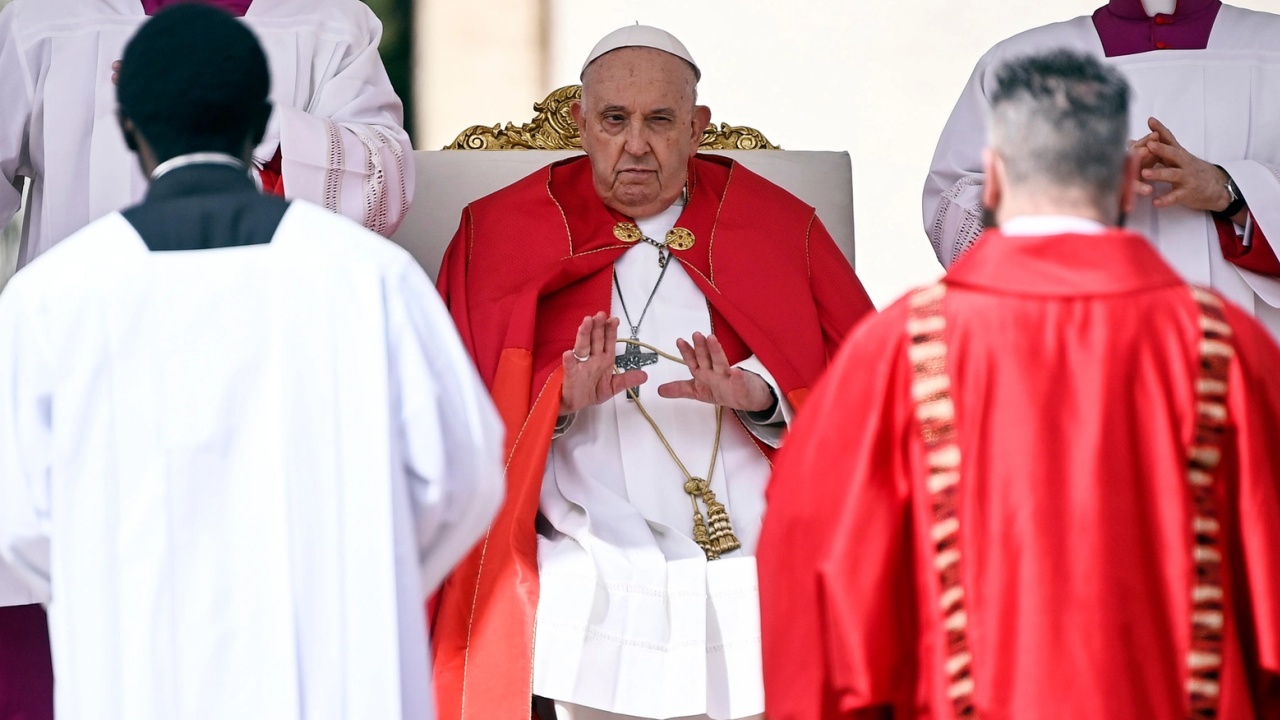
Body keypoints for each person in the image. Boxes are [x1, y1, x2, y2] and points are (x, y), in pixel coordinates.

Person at [0, 6, 503, 719]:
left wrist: (114, 577)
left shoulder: (50, 297)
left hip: (131, 648)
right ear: (259, 118)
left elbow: (19, 520)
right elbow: (465, 478)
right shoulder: (373, 282)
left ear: (128, 123)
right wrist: (361, 569)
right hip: (324, 652)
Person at [761, 49, 1280, 720]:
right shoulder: (1228, 348)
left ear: (995, 180)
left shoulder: (892, 355)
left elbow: (812, 581)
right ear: (1127, 182)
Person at [431, 24, 875, 720]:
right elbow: (451, 416)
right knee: (582, 587)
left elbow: (862, 385)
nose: (635, 144)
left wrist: (759, 393)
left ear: (697, 127)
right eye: (614, 120)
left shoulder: (780, 229)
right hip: (581, 521)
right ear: (581, 122)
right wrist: (558, 402)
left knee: (783, 585)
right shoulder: (501, 235)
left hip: (755, 515)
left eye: (660, 120)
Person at [924, 0, 1280, 336]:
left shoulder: (1271, 46)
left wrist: (1229, 191)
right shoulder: (1018, 64)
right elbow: (954, 210)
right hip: (1082, 353)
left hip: (1256, 358)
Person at [0, 0, 414, 277]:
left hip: (271, 333)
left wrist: (235, 110)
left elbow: (383, 185)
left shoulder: (331, 20)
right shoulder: (43, 18)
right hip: (82, 328)